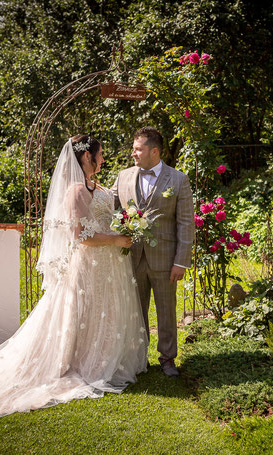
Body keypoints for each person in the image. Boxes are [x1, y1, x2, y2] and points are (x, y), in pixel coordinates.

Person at [0, 135, 148, 417]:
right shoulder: (75, 191)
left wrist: (126, 226)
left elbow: (104, 218)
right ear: (87, 157)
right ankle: (82, 363)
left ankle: (107, 357)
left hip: (109, 266)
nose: (103, 159)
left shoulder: (96, 185)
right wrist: (115, 240)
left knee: (103, 313)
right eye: (100, 154)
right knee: (85, 314)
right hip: (90, 264)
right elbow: (80, 236)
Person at [111, 127, 194, 377]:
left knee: (167, 310)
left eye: (138, 149)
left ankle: (168, 359)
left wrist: (181, 262)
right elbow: (112, 211)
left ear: (154, 151)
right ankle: (140, 359)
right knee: (136, 311)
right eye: (134, 148)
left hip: (166, 260)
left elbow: (186, 223)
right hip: (131, 256)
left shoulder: (178, 180)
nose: (133, 153)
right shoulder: (123, 177)